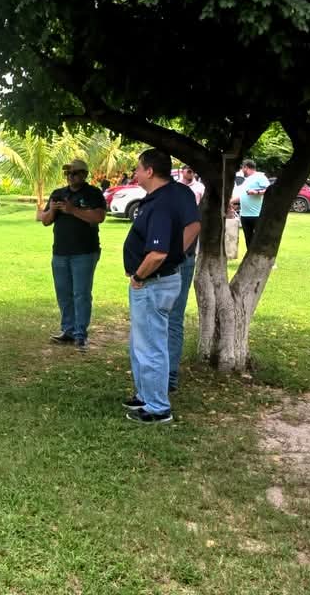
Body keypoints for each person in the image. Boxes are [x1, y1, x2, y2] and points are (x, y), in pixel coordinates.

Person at [122, 149, 200, 424]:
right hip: (156, 281)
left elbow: (157, 253)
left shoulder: (162, 203)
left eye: (138, 168)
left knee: (151, 345)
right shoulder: (164, 196)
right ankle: (145, 395)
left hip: (152, 283)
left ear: (150, 171)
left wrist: (139, 277)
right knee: (141, 342)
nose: (135, 173)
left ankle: (157, 407)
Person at [41, 158, 107, 351]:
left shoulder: (93, 193)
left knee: (81, 294)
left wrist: (72, 210)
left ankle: (80, 334)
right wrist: (52, 210)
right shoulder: (58, 194)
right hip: (60, 252)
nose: (70, 176)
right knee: (63, 293)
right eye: (68, 173)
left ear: (84, 174)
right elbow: (45, 220)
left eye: (75, 173)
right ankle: (68, 330)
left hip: (85, 252)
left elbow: (99, 217)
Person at [167, 166, 204, 391]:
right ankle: (160, 372)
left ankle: (169, 376)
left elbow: (194, 226)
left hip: (176, 263)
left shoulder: (181, 194)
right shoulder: (160, 195)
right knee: (161, 319)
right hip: (162, 262)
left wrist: (171, 255)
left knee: (172, 318)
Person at [237, 159, 268, 249]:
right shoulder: (247, 180)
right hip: (244, 215)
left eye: (242, 168)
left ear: (246, 167)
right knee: (248, 239)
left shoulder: (260, 176)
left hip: (256, 215)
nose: (242, 170)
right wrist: (230, 202)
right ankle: (249, 256)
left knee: (258, 239)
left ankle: (260, 255)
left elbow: (269, 190)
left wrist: (256, 192)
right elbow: (243, 196)